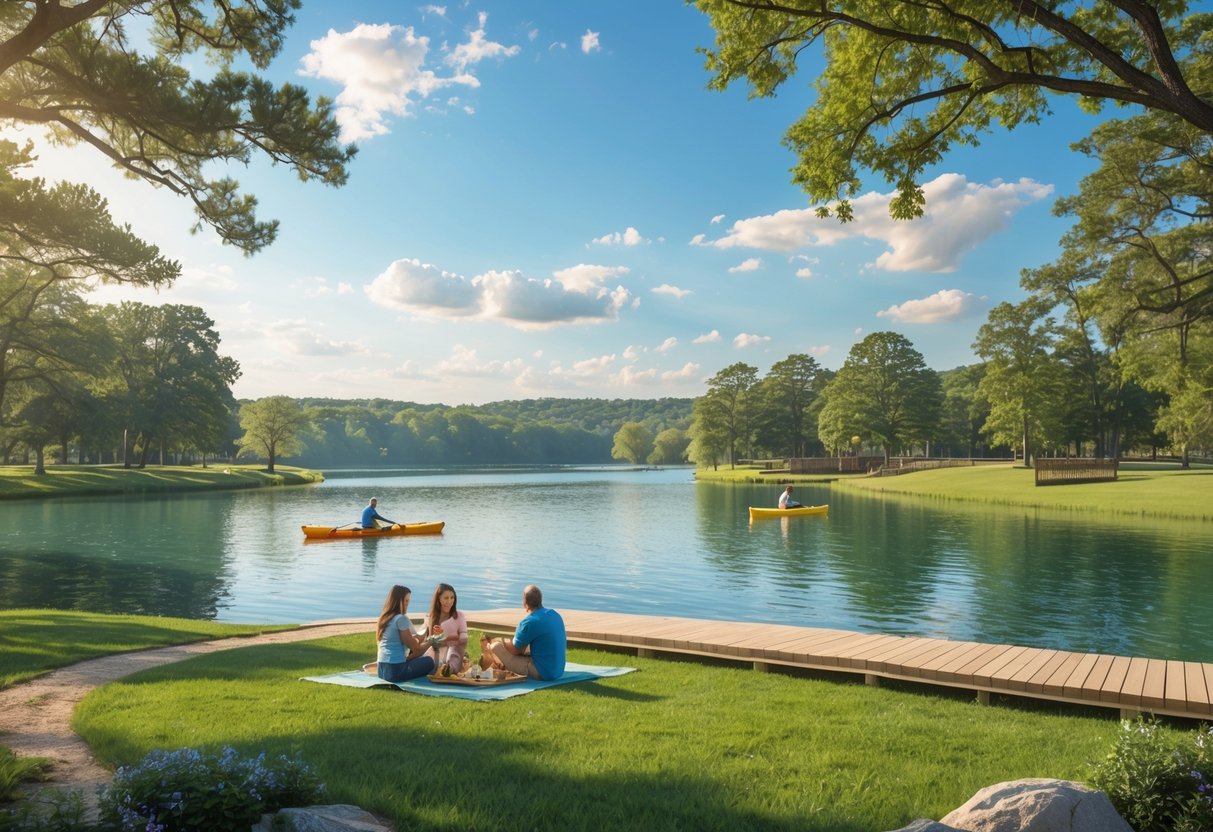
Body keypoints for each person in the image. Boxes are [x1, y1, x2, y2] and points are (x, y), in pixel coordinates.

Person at [484, 584, 566, 681]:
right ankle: (500, 666)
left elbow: (516, 650)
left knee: (495, 647)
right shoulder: (555, 614)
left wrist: (501, 641)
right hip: (558, 671)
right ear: (540, 600)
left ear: (524, 602)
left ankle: (497, 666)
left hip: (543, 672)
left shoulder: (529, 621)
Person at [370, 584, 436, 683]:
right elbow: (416, 649)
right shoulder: (401, 619)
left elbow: (415, 641)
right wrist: (432, 641)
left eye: (408, 601)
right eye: (406, 601)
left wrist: (426, 626)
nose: (407, 604)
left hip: (382, 670)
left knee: (416, 658)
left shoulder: (383, 618)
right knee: (429, 661)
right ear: (397, 601)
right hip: (396, 672)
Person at [424, 582, 468, 672]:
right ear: (438, 599)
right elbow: (429, 641)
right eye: (446, 598)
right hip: (435, 654)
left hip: (453, 653)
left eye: (452, 598)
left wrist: (445, 642)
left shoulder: (459, 616)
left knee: (447, 667)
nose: (449, 602)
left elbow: (464, 639)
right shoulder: (430, 617)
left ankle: (444, 670)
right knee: (427, 665)